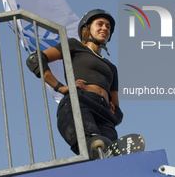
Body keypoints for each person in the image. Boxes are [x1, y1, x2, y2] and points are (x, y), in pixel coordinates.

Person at [26, 9, 123, 159]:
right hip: (80, 102)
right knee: (93, 145)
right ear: (86, 29)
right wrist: (60, 87)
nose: (105, 28)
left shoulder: (111, 68)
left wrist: (114, 112)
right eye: (100, 24)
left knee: (113, 154)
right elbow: (36, 59)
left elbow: (117, 108)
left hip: (104, 114)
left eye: (108, 26)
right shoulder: (74, 46)